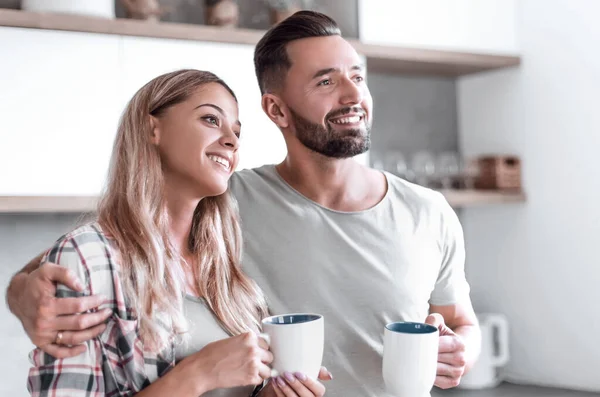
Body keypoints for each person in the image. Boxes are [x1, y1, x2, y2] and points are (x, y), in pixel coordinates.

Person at [6, 11, 480, 397]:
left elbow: (461, 323)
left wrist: (462, 349)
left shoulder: (429, 211)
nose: (354, 94)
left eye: (357, 76)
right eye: (326, 82)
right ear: (276, 110)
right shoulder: (225, 200)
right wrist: (23, 294)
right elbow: (91, 258)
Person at [13, 69, 329, 397]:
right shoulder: (90, 256)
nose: (231, 140)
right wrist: (198, 373)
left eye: (236, 132)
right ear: (154, 129)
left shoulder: (228, 266)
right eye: (210, 119)